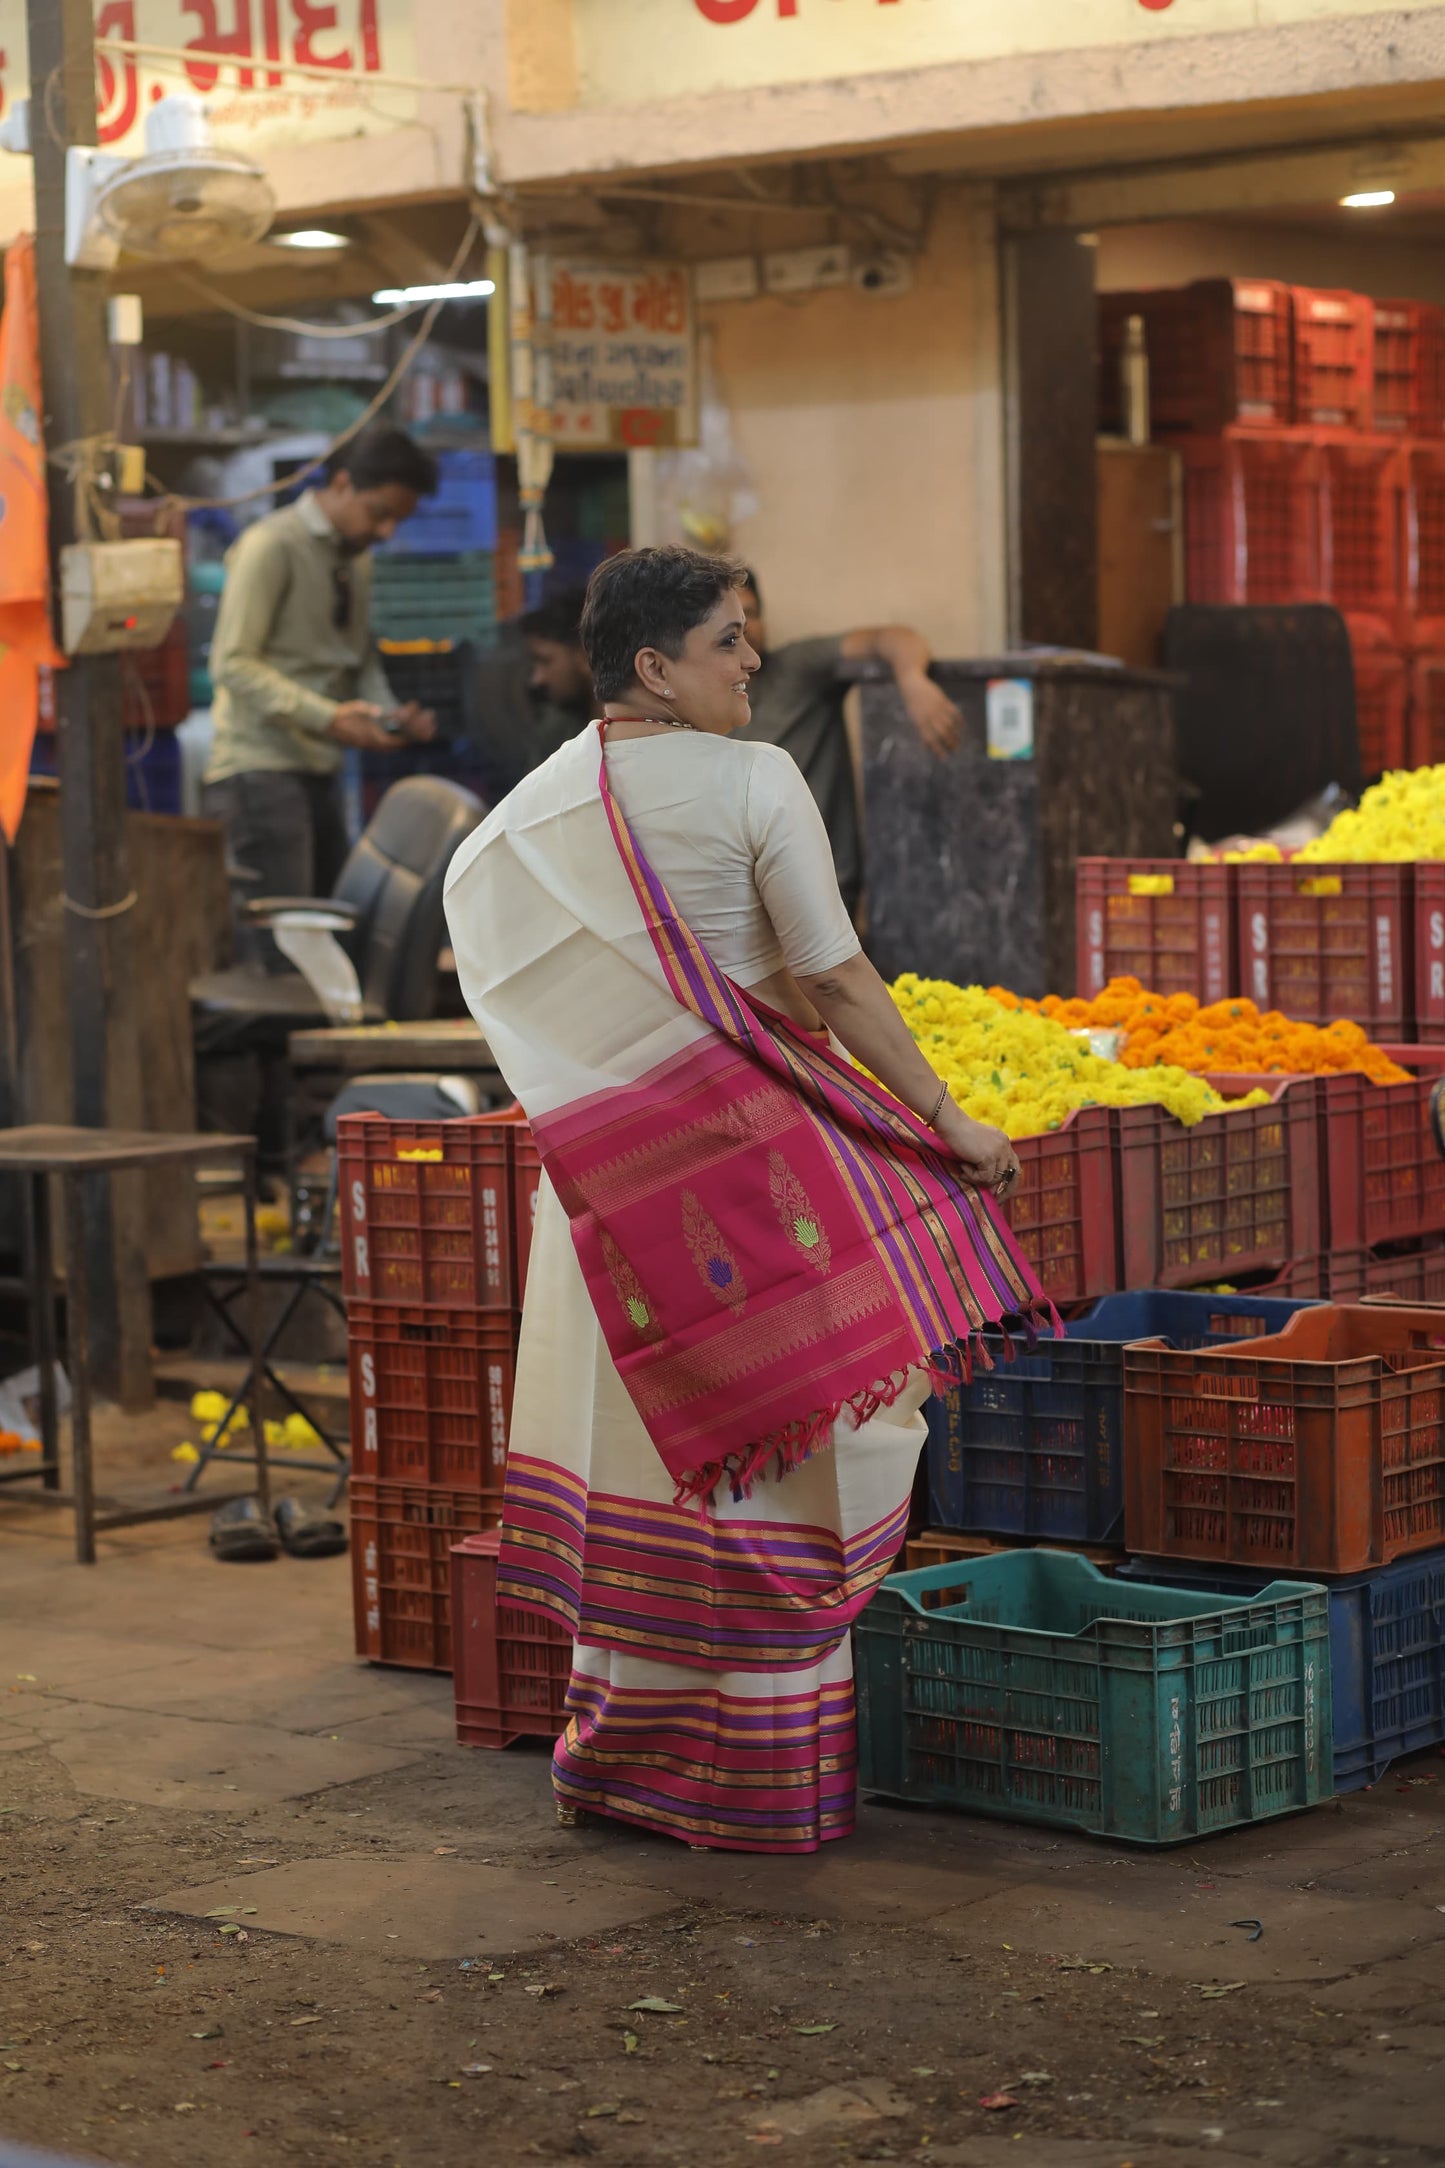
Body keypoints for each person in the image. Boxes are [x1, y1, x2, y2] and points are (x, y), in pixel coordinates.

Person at [445, 546, 1052, 1855]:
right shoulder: (753, 779)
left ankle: (618, 1766)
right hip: (760, 1191)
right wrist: (946, 1122)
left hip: (610, 1201)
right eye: (729, 640)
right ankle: (757, 1782)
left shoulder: (538, 814)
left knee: (643, 1462)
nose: (754, 661)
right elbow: (828, 985)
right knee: (783, 1472)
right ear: (655, 667)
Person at [202, 423, 440, 960]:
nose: (384, 531)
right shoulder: (271, 545)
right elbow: (232, 664)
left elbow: (356, 658)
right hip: (259, 767)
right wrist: (329, 716)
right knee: (283, 946)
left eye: (396, 521)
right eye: (379, 512)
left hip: (318, 766)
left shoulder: (355, 557)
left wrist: (386, 716)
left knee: (325, 938)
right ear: (341, 483)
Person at [733, 569, 965, 917]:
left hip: (820, 891)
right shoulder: (698, 704)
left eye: (750, 613)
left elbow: (892, 638)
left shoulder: (798, 669)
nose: (745, 627)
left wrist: (912, 680)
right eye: (732, 620)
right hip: (740, 897)